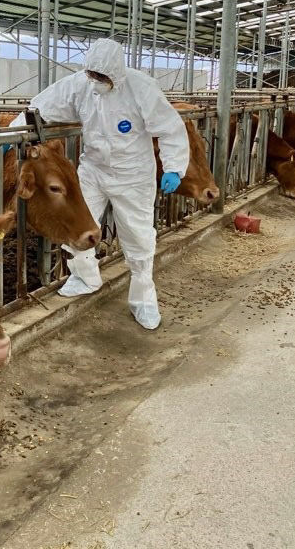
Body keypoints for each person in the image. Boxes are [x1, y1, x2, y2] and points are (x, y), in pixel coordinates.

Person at [13, 38, 189, 330]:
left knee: (138, 237)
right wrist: (11, 135)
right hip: (93, 170)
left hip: (132, 174)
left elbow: (170, 128)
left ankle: (143, 300)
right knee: (77, 224)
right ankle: (85, 278)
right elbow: (42, 106)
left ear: (117, 74)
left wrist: (174, 168)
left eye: (102, 77)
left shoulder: (141, 88)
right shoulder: (79, 84)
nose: (95, 81)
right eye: (92, 75)